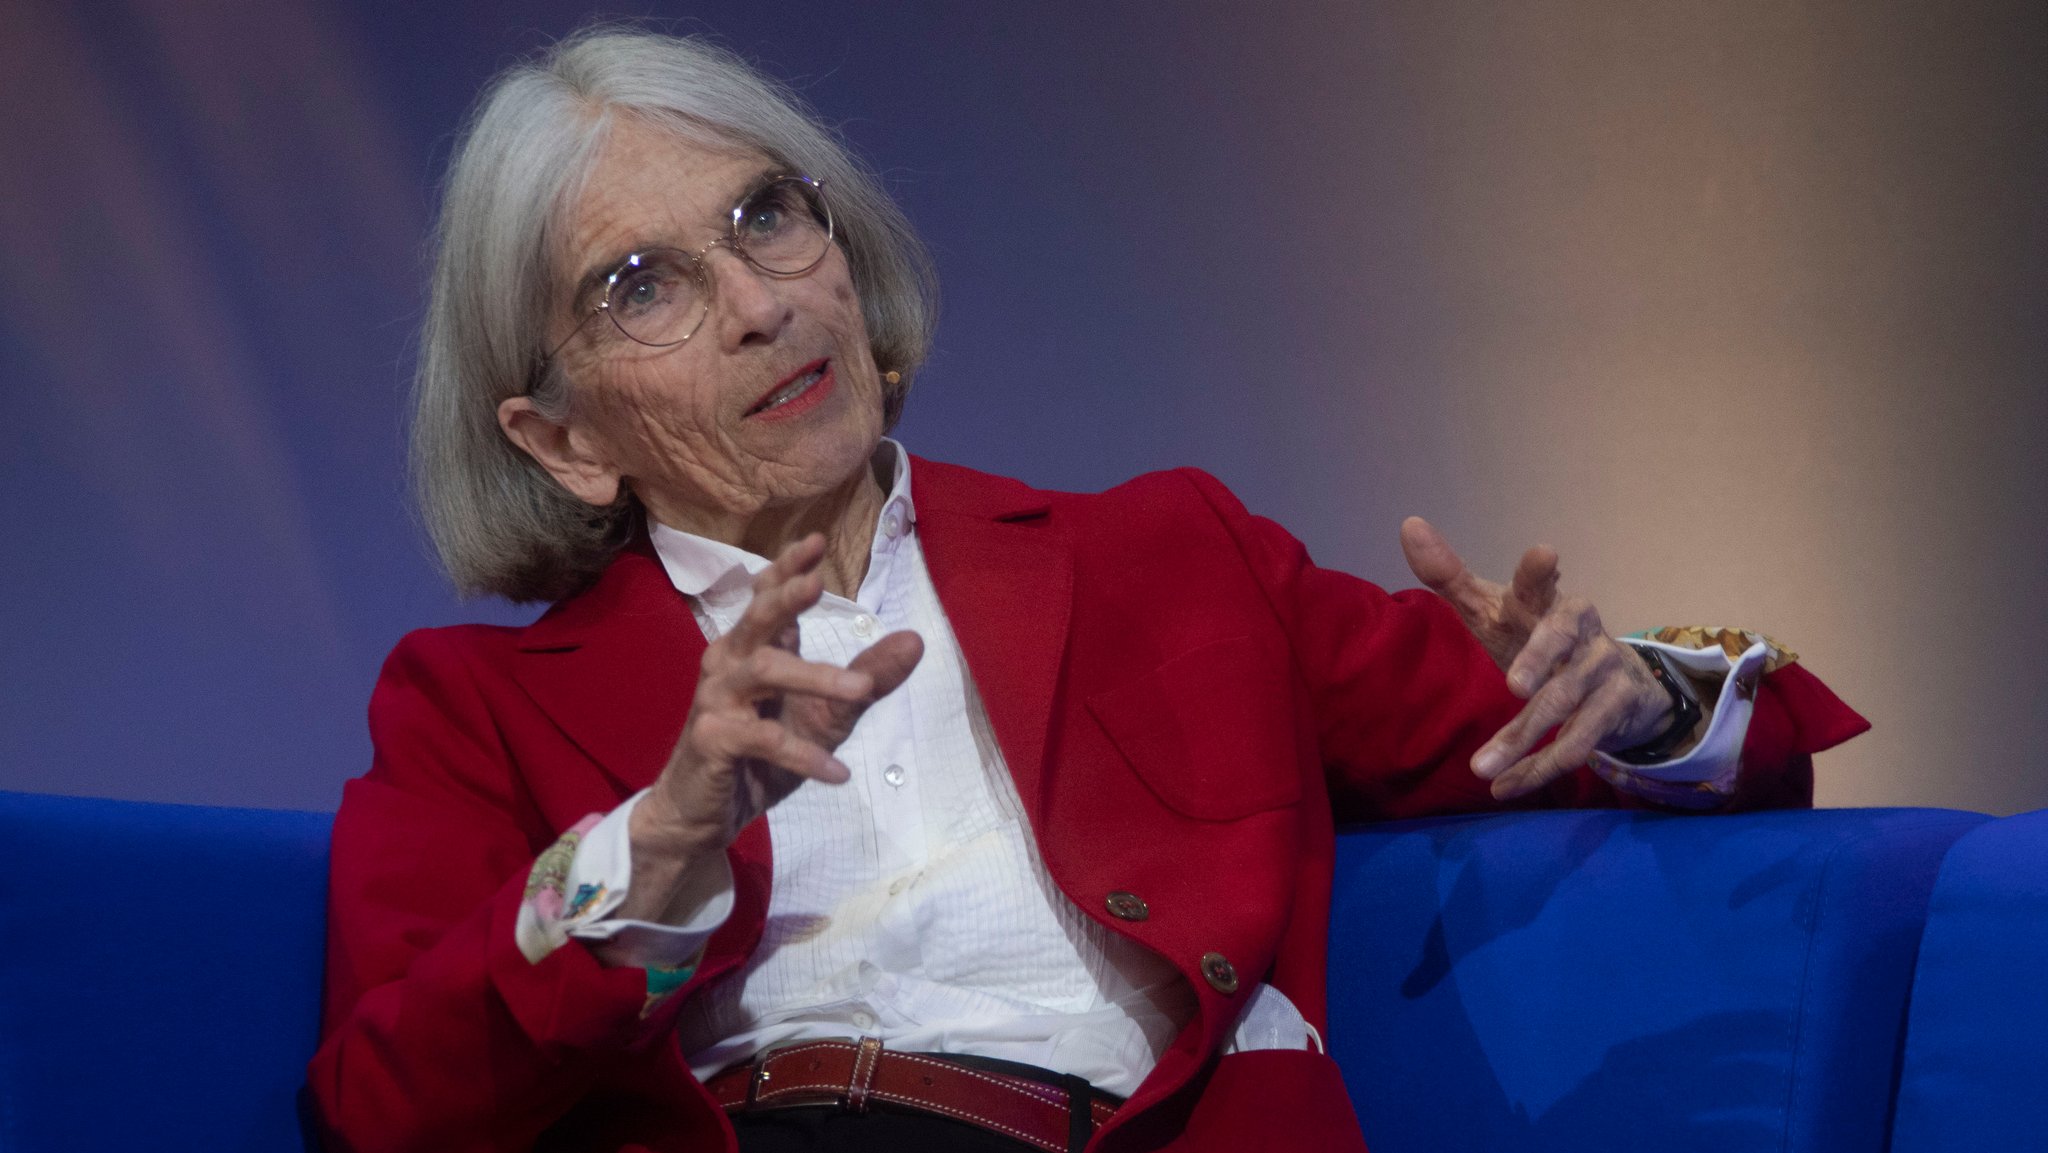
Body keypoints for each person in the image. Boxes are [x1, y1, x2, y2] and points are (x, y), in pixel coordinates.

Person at [309, 25, 1867, 1153]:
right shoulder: (473, 708)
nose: (756, 304)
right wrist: (651, 854)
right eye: (642, 286)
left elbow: (1568, 725)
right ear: (564, 439)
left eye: (765, 218)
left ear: (843, 261)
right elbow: (381, 1105)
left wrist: (1647, 700)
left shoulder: (1168, 560)